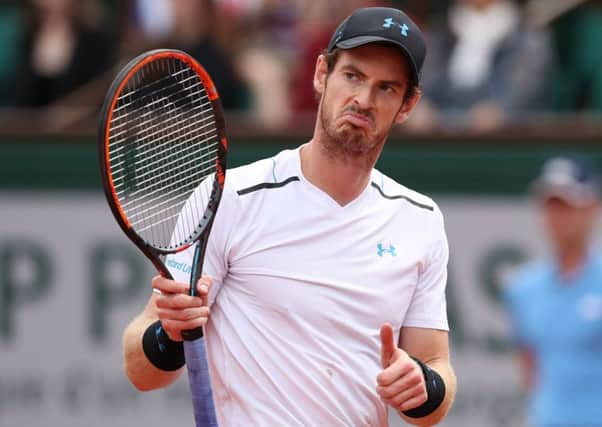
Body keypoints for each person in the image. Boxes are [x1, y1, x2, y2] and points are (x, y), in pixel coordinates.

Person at [122, 6, 457, 426]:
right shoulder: (228, 198)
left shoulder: (420, 221)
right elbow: (141, 371)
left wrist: (424, 386)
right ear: (321, 74)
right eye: (352, 76)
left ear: (407, 105)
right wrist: (169, 335)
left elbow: (435, 372)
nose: (364, 100)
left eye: (386, 88)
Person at [504, 156, 602, 427]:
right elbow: (531, 371)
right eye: (552, 207)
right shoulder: (522, 288)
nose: (559, 217)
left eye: (568, 206)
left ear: (592, 207)